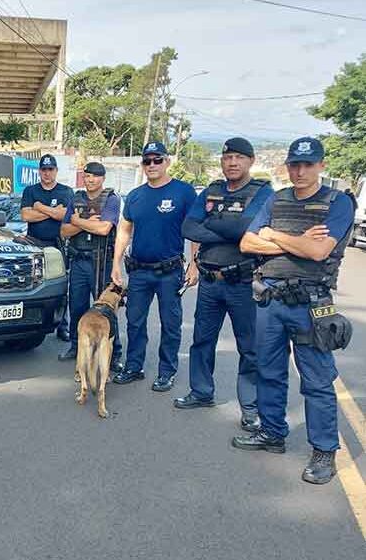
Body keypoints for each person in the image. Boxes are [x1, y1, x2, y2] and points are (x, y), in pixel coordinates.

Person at [232, 137, 355, 485]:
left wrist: (273, 234)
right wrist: (297, 239)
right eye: (294, 165)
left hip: (311, 304)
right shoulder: (277, 198)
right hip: (270, 299)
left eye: (307, 164)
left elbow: (319, 252)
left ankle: (323, 452)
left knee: (316, 381)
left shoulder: (338, 202)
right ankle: (272, 433)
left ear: (320, 166)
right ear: (287, 166)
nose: (300, 171)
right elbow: (246, 242)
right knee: (268, 372)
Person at [175, 138, 274, 432]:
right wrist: (227, 227)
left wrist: (213, 222)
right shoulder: (212, 190)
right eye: (228, 156)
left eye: (239, 157)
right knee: (202, 341)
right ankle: (201, 392)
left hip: (243, 282)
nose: (232, 162)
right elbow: (188, 227)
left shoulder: (262, 192)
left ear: (250, 161)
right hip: (209, 281)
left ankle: (251, 408)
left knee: (250, 348)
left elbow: (246, 228)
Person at [111, 142, 198, 391]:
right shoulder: (136, 195)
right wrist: (116, 263)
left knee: (170, 324)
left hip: (169, 272)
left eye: (156, 160)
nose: (151, 165)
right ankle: (134, 366)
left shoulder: (183, 192)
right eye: (147, 161)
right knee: (134, 322)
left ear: (167, 162)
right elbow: (125, 230)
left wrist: (194, 265)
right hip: (138, 271)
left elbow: (194, 230)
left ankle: (166, 371)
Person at [58, 161, 123, 372]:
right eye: (87, 176)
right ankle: (76, 347)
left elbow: (104, 228)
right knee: (77, 307)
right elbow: (64, 232)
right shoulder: (76, 199)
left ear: (102, 178)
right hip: (79, 261)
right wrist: (82, 223)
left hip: (101, 261)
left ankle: (114, 355)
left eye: (94, 176)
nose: (90, 180)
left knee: (105, 310)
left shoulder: (111, 199)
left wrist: (77, 221)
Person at [21, 154, 73, 340]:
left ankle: (62, 326)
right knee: (32, 285)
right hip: (33, 244)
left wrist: (40, 208)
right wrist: (53, 212)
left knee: (60, 286)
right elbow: (26, 216)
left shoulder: (66, 192)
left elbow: (65, 216)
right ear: (39, 171)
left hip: (57, 245)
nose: (47, 173)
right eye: (44, 169)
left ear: (56, 171)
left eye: (50, 169)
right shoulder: (30, 191)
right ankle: (30, 322)